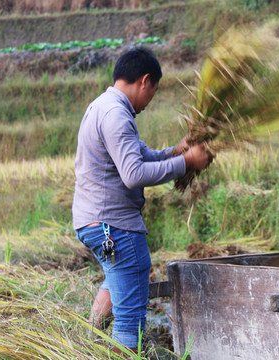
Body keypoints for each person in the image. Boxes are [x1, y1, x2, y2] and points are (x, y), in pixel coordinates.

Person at [72, 47, 212, 352]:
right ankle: (121, 353)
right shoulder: (116, 115)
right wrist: (187, 163)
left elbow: (138, 155)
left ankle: (88, 344)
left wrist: (175, 152)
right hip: (115, 227)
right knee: (131, 315)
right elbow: (133, 174)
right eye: (155, 91)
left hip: (94, 223)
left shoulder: (102, 106)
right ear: (145, 81)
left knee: (116, 280)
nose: (150, 101)